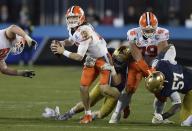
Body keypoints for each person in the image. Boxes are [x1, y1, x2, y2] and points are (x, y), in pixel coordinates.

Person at [50, 6, 119, 124]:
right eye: (70, 18)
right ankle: (88, 115)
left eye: (74, 18)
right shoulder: (72, 28)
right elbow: (71, 40)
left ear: (81, 18)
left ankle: (122, 99)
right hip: (91, 57)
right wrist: (61, 43)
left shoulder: (84, 31)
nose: (71, 21)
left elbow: (79, 57)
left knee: (103, 89)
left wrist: (63, 51)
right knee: (83, 87)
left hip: (103, 59)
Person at [109, 12, 176, 123]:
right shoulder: (133, 33)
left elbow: (160, 55)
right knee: (129, 88)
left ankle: (158, 116)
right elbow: (137, 56)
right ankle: (116, 114)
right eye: (146, 30)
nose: (149, 32)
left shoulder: (162, 33)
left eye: (151, 30)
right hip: (137, 64)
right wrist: (148, 71)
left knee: (160, 90)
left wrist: (153, 69)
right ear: (141, 27)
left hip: (155, 63)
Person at [43, 46, 131, 120]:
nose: (117, 62)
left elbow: (119, 85)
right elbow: (96, 51)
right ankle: (68, 114)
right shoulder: (109, 51)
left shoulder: (126, 71)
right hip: (103, 85)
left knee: (102, 115)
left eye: (120, 61)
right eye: (116, 59)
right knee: (87, 102)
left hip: (114, 93)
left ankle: (92, 115)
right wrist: (91, 57)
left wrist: (126, 107)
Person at [145, 60, 192, 126]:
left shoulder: (168, 87)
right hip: (187, 72)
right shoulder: (161, 65)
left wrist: (163, 116)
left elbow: (177, 105)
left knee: (186, 123)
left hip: (191, 88)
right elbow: (172, 62)